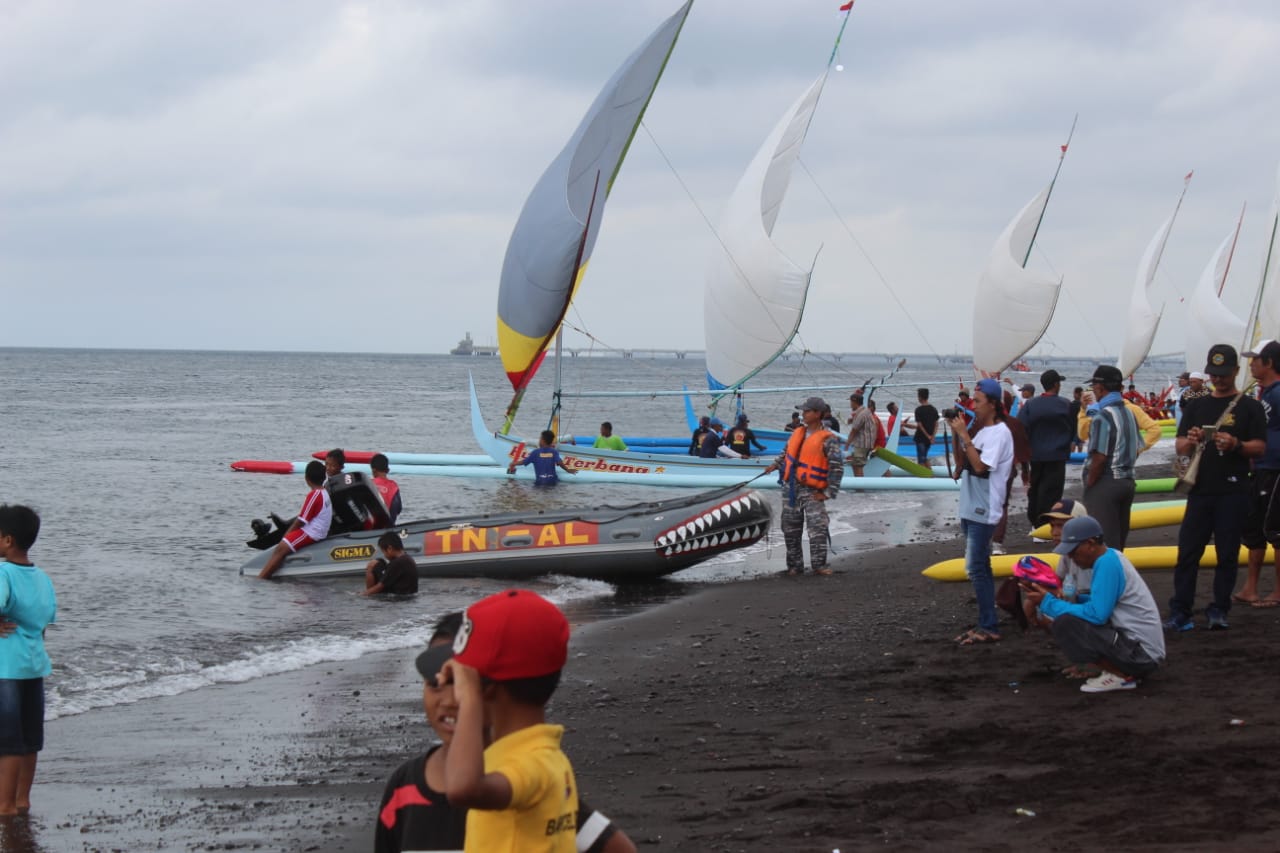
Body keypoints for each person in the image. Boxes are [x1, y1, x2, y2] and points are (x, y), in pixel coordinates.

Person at [375, 612, 634, 853]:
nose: (451, 700)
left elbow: (617, 847)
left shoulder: (517, 777)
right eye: (436, 683)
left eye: (466, 683)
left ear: (495, 690)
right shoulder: (404, 786)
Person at [439, 589, 578, 852]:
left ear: (488, 688)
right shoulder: (548, 756)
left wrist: (469, 699)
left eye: (460, 680)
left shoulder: (528, 764)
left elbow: (462, 789)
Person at [1166, 344, 1265, 631]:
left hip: (1233, 491)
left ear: (1236, 371)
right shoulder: (1196, 406)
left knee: (1228, 554)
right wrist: (1193, 440)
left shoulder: (1250, 407)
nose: (1218, 379)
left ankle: (1219, 609)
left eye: (1224, 374)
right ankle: (1180, 610)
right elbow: (1180, 446)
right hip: (1200, 490)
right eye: (1214, 374)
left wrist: (1236, 444)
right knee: (1188, 552)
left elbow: (1260, 447)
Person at [1022, 515, 1166, 693]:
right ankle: (1115, 671)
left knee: (1065, 623)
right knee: (1065, 617)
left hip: (1142, 655)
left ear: (1090, 544)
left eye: (1073, 551)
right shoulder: (1110, 558)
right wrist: (1054, 599)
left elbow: (1097, 615)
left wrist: (1048, 602)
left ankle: (1121, 676)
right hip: (1142, 652)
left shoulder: (1107, 563)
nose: (1071, 557)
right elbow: (1098, 605)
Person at [0, 505, 56, 818]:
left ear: (7, 540)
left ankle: (4, 805)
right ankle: (22, 800)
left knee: (8, 743)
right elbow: (44, 622)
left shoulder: (3, 573)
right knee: (29, 739)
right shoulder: (42, 578)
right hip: (34, 666)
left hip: (5, 667)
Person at [948, 377, 1014, 644]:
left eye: (978, 401)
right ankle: (987, 622)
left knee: (976, 568)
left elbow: (980, 467)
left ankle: (989, 625)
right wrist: (957, 433)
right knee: (981, 567)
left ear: (993, 404)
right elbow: (962, 464)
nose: (973, 406)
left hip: (984, 508)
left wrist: (965, 435)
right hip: (971, 506)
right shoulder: (983, 432)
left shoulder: (1000, 433)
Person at [763, 396, 844, 576]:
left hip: (812, 490)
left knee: (817, 527)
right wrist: (774, 465)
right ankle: (794, 566)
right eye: (803, 411)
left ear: (817, 414)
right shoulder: (797, 433)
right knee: (790, 528)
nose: (803, 414)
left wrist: (828, 493)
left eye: (807, 411)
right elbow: (786, 454)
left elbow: (837, 467)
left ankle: (819, 566)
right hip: (791, 488)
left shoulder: (828, 439)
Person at [1238, 340, 1280, 607]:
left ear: (1269, 362)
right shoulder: (1264, 393)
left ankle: (1278, 591)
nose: (1251, 364)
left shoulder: (1278, 393)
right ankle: (1250, 588)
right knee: (1253, 530)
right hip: (1261, 469)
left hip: (1275, 470)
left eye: (1255, 359)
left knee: (1275, 531)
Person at [1081, 365, 1140, 550]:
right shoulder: (1129, 413)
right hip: (1127, 481)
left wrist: (1090, 483)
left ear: (1100, 388)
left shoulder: (1102, 416)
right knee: (1119, 542)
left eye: (1094, 387)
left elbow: (1099, 457)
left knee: (1103, 543)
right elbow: (1138, 447)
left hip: (1106, 482)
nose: (1093, 391)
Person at [1019, 368, 1075, 528]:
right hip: (1057, 456)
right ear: (1056, 385)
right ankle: (1046, 524)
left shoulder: (1031, 404)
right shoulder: (1065, 404)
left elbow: (1021, 428)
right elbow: (1073, 428)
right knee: (1052, 492)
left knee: (1035, 488)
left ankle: (1035, 521)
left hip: (1036, 455)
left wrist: (1023, 456)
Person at [259, 460, 333, 579]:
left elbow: (301, 521)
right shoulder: (324, 492)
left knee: (280, 548)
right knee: (284, 545)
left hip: (313, 533)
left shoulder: (314, 495)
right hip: (318, 530)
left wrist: (286, 536)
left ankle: (262, 578)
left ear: (306, 479)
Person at [508, 430, 577, 485]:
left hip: (540, 482)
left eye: (540, 438)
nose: (539, 440)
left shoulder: (535, 453)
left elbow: (523, 462)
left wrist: (513, 463)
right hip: (553, 482)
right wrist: (568, 470)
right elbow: (559, 462)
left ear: (543, 441)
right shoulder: (554, 452)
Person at [362, 532, 418, 596]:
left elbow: (379, 586)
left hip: (397, 597)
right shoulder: (408, 558)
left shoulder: (397, 563)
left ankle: (369, 597)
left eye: (383, 552)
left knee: (372, 565)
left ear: (389, 548)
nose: (384, 555)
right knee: (379, 563)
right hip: (406, 594)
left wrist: (362, 595)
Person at [844, 392, 877, 477]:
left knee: (858, 465)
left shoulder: (861, 414)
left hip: (861, 444)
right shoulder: (865, 411)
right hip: (867, 443)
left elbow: (854, 431)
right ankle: (858, 481)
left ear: (854, 402)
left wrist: (847, 444)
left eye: (851, 402)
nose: (850, 404)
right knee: (855, 464)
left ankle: (860, 483)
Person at [369, 453, 403, 526]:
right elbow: (399, 509)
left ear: (373, 470)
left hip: (371, 528)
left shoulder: (369, 483)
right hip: (389, 527)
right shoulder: (394, 486)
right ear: (387, 470)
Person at [909, 387, 940, 466]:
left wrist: (928, 436)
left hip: (920, 438)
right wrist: (932, 437)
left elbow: (920, 425)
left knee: (921, 460)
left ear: (920, 397)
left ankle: (922, 473)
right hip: (929, 439)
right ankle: (929, 473)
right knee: (924, 457)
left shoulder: (918, 410)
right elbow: (936, 424)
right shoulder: (933, 409)